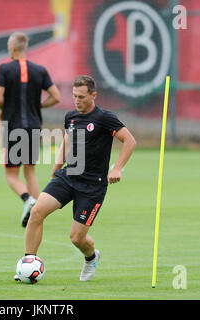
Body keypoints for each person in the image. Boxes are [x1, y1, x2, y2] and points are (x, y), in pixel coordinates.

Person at [17, 75, 136, 281]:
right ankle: (29, 264)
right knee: (37, 212)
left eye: (81, 96)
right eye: (74, 96)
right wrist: (57, 164)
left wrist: (117, 168)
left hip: (92, 187)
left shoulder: (105, 118)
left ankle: (91, 257)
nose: (77, 100)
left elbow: (129, 140)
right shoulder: (71, 117)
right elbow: (68, 138)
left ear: (94, 95)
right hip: (68, 176)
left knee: (76, 237)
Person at [0, 32, 61, 227]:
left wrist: (3, 110)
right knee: (30, 171)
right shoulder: (39, 70)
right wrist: (36, 107)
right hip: (33, 126)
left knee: (11, 174)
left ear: (13, 48)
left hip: (13, 126)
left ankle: (28, 200)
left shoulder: (5, 68)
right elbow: (55, 96)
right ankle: (36, 213)